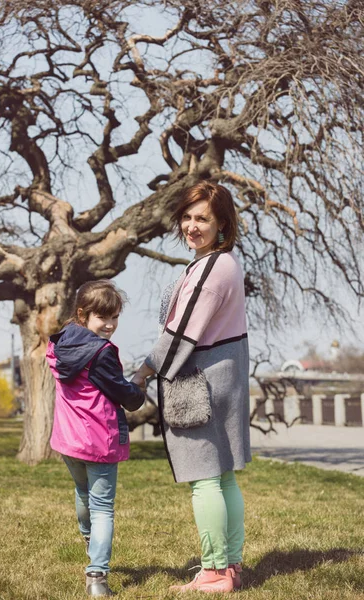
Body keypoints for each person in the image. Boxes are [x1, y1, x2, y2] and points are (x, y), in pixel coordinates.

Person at [132, 181, 251, 594]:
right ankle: (230, 566)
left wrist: (143, 372)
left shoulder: (213, 267)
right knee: (223, 478)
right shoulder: (224, 264)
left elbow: (180, 335)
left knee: (205, 480)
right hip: (223, 381)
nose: (191, 225)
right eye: (187, 216)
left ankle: (215, 571)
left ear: (222, 223)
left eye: (202, 218)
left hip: (201, 386)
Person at [46, 280, 145, 597]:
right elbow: (125, 395)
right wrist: (139, 389)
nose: (111, 325)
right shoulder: (100, 354)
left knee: (82, 491)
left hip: (67, 440)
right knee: (103, 508)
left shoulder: (60, 344)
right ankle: (97, 577)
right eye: (103, 318)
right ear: (82, 314)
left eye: (115, 317)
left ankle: (90, 540)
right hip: (98, 442)